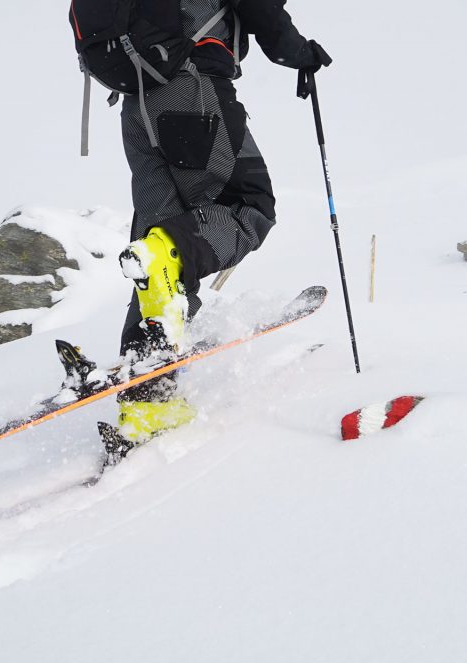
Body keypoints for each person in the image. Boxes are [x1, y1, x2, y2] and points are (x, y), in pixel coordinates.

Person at [112, 0, 332, 448]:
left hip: (136, 110)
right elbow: (264, 14)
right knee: (251, 206)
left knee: (161, 252)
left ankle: (148, 401)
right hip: (193, 95)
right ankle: (164, 260)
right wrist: (301, 53)